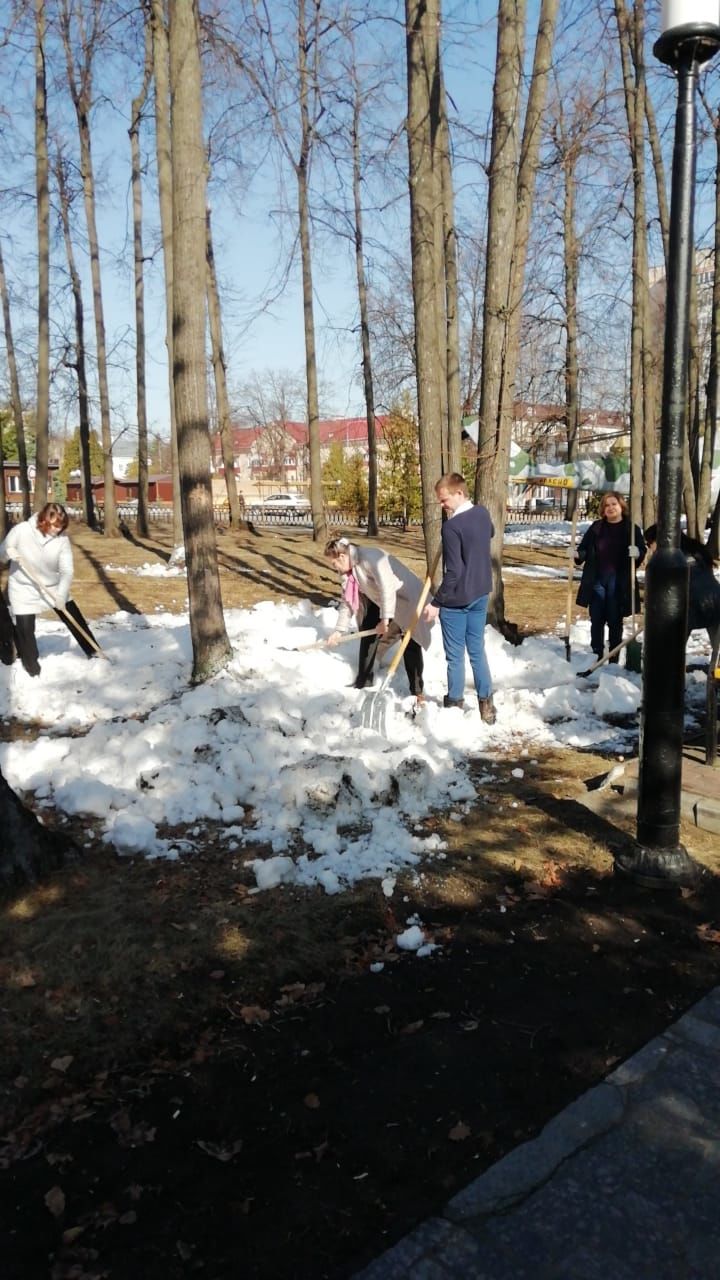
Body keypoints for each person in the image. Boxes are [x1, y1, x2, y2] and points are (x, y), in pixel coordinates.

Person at [422, 472, 496, 724]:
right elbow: (491, 533)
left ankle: (454, 704)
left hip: (457, 600)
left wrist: (436, 603)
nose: (442, 506)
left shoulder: (452, 527)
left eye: (444, 500)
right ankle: (487, 705)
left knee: (455, 655)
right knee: (477, 651)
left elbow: (453, 572)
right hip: (481, 592)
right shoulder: (483, 514)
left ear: (459, 493)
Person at [324, 535, 432, 703]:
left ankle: (417, 693)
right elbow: (347, 602)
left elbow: (387, 588)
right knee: (368, 630)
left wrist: (385, 619)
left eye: (334, 563)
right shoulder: (348, 573)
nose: (334, 568)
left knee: (411, 642)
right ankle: (364, 682)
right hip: (381, 600)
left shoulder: (372, 558)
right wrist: (338, 631)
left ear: (342, 556)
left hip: (406, 599)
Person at [0, 502, 99, 677]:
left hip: (52, 587)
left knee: (74, 617)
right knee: (26, 632)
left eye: (61, 526)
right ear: (43, 520)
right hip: (24, 588)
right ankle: (32, 670)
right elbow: (1, 553)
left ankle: (94, 652)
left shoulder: (62, 540)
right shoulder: (22, 530)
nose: (57, 530)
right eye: (54, 525)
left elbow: (67, 570)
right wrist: (9, 553)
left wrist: (61, 596)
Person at [574, 492, 645, 663]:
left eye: (614, 504)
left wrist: (638, 553)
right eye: (607, 505)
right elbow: (584, 549)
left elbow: (641, 551)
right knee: (596, 618)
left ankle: (614, 655)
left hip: (619, 581)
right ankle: (596, 654)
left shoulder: (631, 529)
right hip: (597, 579)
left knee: (614, 619)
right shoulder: (596, 528)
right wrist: (576, 553)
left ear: (621, 506)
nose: (611, 508)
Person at [643, 524, 720, 651]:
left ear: (658, 540)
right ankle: (715, 667)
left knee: (674, 646)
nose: (649, 547)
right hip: (716, 597)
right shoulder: (697, 550)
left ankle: (670, 666)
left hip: (691, 604)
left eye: (649, 543)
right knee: (717, 645)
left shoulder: (670, 559)